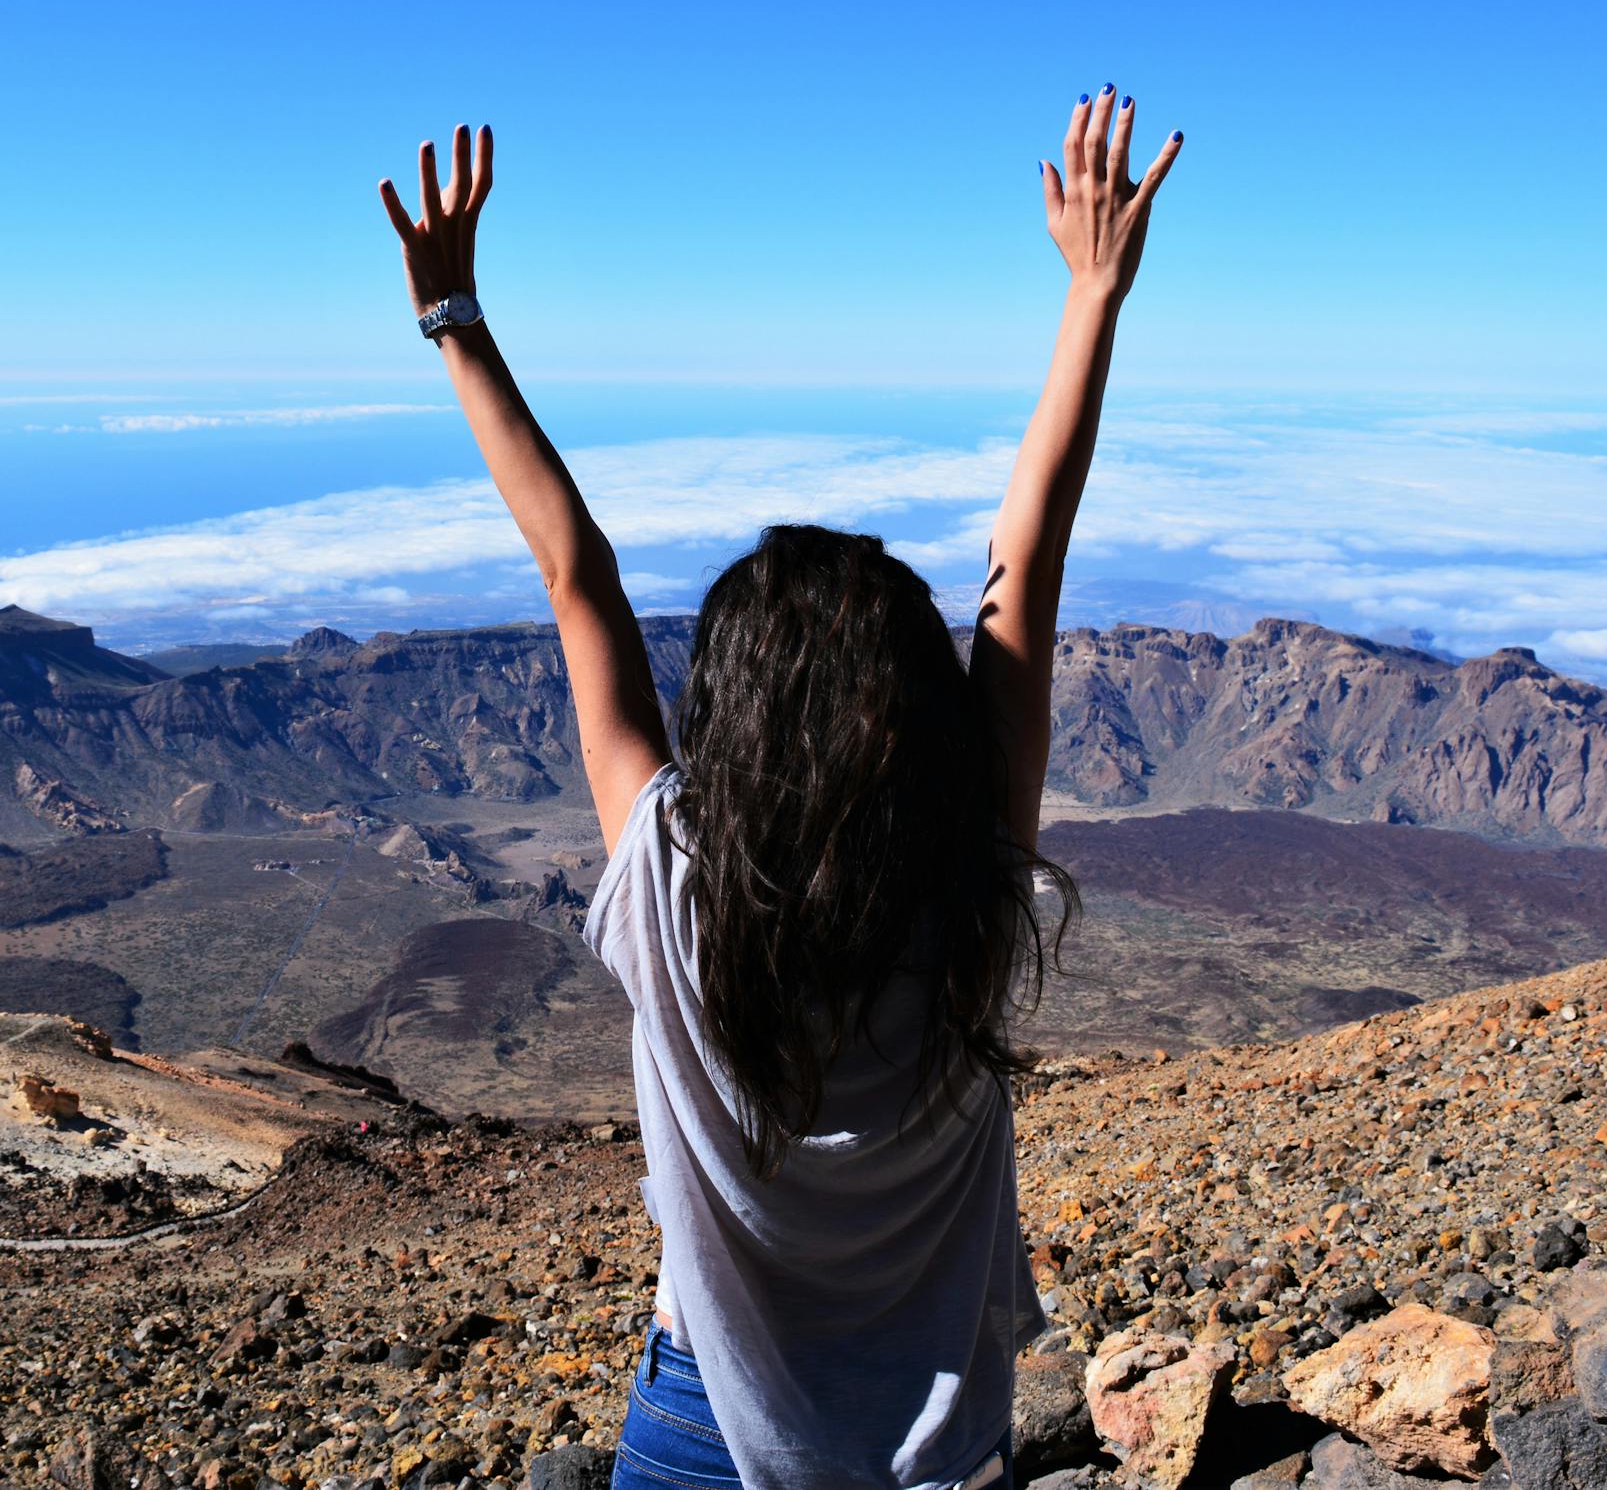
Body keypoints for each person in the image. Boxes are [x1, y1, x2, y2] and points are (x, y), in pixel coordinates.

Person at [375, 89, 1181, 1490]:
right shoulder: (970, 883)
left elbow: (581, 579)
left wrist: (457, 322)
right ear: (919, 720)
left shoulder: (671, 890)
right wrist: (1094, 292)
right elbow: (1027, 572)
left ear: (727, 723)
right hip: (936, 1456)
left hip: (702, 1436)